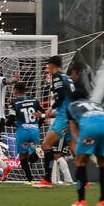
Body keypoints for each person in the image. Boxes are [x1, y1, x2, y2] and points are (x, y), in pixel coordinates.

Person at [67, 99, 104, 206]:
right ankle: (103, 201)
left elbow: (73, 127)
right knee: (103, 163)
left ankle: (81, 201)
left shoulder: (71, 105)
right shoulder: (96, 104)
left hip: (90, 127)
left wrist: (80, 144)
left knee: (80, 162)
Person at [36, 55, 76, 188]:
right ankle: (83, 179)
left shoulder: (57, 77)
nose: (47, 67)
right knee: (74, 148)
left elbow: (62, 96)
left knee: (46, 145)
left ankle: (47, 180)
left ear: (52, 65)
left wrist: (50, 108)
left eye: (48, 64)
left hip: (63, 117)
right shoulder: (67, 78)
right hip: (71, 116)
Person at [5, 82, 44, 184]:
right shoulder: (34, 100)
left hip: (22, 132)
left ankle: (30, 179)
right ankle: (35, 152)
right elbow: (43, 113)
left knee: (22, 156)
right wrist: (38, 125)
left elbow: (10, 120)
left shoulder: (14, 102)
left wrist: (5, 123)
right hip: (35, 130)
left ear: (16, 90)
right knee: (35, 152)